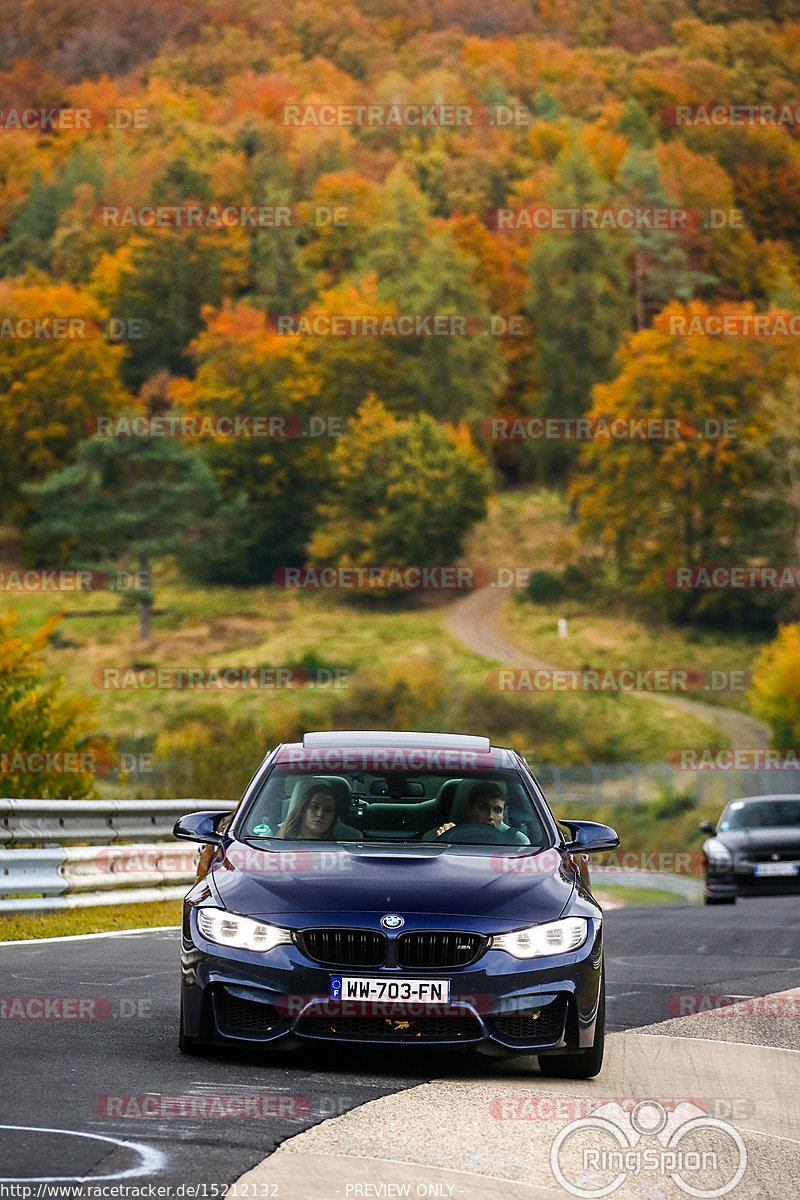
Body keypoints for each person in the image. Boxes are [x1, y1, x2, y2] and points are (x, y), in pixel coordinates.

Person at [430, 781, 530, 844]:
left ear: (503, 814)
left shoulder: (518, 841)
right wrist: (444, 841)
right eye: (483, 808)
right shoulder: (448, 834)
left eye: (497, 810)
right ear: (469, 810)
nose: (490, 816)